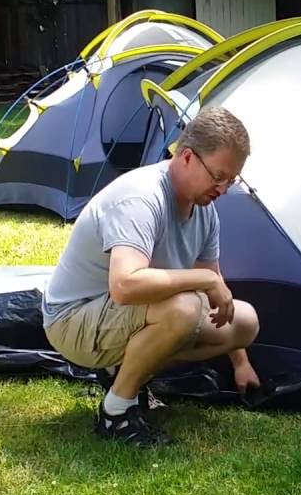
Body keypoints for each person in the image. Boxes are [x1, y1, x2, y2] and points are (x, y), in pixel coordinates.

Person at [42, 106, 260, 447]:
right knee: (185, 308)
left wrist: (241, 363)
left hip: (121, 316)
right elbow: (125, 285)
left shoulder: (205, 212)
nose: (223, 188)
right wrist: (203, 282)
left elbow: (218, 296)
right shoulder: (141, 197)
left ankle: (123, 372)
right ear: (187, 157)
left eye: (231, 180)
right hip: (73, 321)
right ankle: (116, 413)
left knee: (244, 323)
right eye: (218, 176)